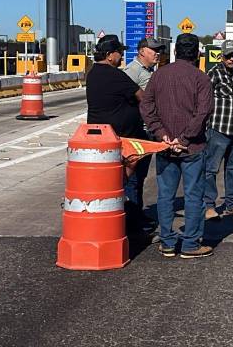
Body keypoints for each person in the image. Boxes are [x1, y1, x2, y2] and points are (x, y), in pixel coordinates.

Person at [140, 33, 214, 259]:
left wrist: (161, 134)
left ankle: (168, 242)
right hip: (192, 148)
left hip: (165, 146)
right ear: (198, 54)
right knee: (193, 196)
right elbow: (204, 113)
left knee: (165, 196)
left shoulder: (158, 76)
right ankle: (191, 244)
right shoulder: (201, 78)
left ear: (174, 52)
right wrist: (184, 139)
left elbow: (146, 106)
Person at [86, 35, 150, 234]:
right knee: (126, 181)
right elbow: (142, 97)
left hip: (102, 138)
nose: (121, 55)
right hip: (123, 139)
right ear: (109, 55)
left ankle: (130, 217)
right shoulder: (115, 75)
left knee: (114, 182)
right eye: (118, 52)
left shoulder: (93, 73)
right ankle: (131, 223)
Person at [203, 40, 233, 220]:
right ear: (222, 56)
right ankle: (209, 206)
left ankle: (232, 204)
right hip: (218, 129)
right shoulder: (213, 73)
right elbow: (203, 100)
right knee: (211, 169)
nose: (232, 59)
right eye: (229, 55)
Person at [121, 37, 163, 232]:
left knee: (141, 176)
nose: (157, 53)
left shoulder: (148, 71)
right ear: (141, 52)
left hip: (146, 131)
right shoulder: (133, 71)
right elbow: (126, 100)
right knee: (134, 177)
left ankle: (137, 213)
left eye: (158, 50)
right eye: (153, 50)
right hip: (138, 133)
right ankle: (132, 218)